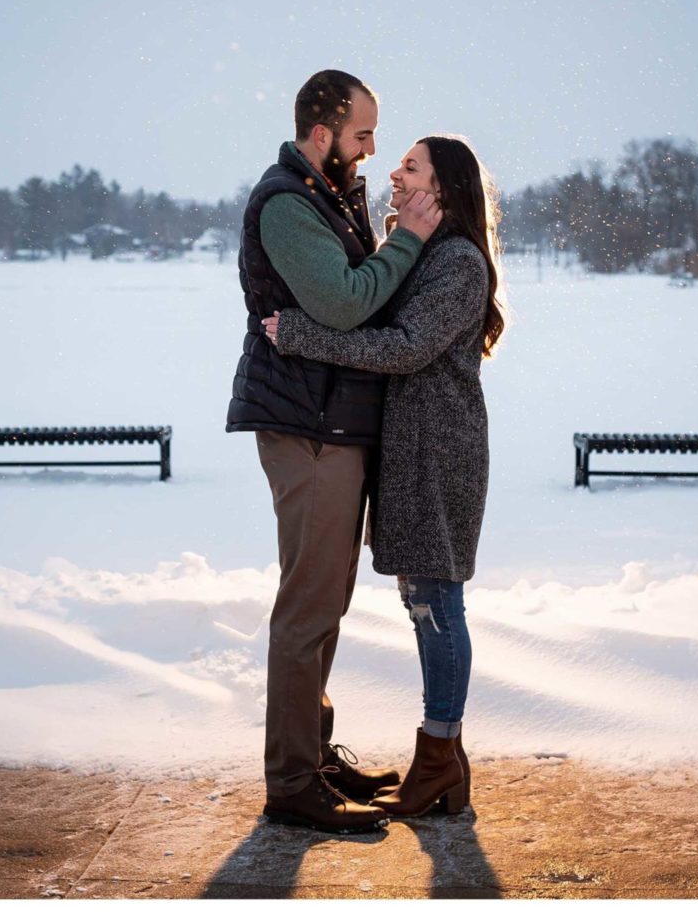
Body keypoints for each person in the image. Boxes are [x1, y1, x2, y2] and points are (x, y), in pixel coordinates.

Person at [225, 69, 444, 834]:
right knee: (307, 605)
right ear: (323, 132)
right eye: (362, 133)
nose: (373, 147)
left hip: (334, 425)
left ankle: (311, 759)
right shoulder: (287, 203)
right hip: (306, 425)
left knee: (327, 602)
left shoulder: (329, 194)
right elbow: (347, 301)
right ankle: (290, 781)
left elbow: (359, 291)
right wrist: (411, 237)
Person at [264, 134, 505, 818]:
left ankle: (440, 754)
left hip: (440, 453)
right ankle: (442, 763)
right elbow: (364, 301)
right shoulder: (424, 251)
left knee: (437, 604)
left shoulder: (457, 262)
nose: (393, 171)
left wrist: (303, 336)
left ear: (445, 188)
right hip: (412, 448)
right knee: (422, 599)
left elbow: (404, 348)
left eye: (410, 166)